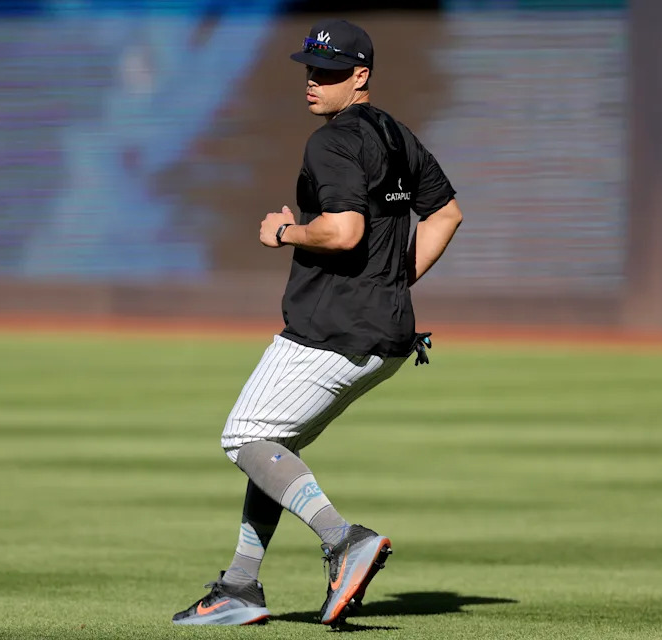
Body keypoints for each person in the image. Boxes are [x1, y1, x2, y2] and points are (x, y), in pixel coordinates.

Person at [172, 18, 463, 628]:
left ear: (360, 76)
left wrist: (286, 232)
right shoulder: (395, 133)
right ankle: (240, 585)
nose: (312, 80)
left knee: (243, 437)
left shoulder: (331, 143)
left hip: (332, 327)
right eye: (309, 67)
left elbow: (344, 230)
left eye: (328, 71)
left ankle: (342, 539)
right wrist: (392, 281)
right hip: (386, 334)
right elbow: (447, 216)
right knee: (276, 448)